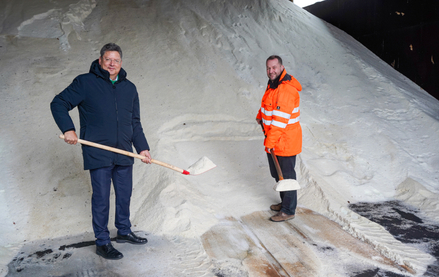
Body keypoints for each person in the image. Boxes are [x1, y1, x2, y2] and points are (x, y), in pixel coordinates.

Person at [50, 43, 151, 260]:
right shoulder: (85, 82)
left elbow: (135, 122)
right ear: (100, 61)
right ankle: (103, 242)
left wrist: (142, 147)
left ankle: (123, 231)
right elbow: (58, 102)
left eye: (116, 60)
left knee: (124, 196)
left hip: (125, 151)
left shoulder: (129, 88)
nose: (112, 63)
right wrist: (68, 129)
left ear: (121, 63)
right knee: (102, 199)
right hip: (99, 152)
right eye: (108, 59)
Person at [256, 55, 302, 222]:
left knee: (286, 176)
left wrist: (269, 143)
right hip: (275, 139)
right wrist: (260, 115)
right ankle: (284, 203)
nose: (271, 71)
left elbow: (279, 123)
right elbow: (269, 106)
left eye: (274, 67)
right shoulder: (273, 85)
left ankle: (289, 210)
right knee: (278, 174)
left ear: (282, 67)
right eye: (268, 68)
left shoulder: (286, 90)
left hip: (285, 140)